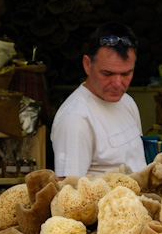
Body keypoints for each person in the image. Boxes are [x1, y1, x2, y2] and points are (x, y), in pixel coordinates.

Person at [51, 23, 148, 178]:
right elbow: (68, 192)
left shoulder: (127, 102)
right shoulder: (75, 118)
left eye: (126, 74)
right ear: (87, 65)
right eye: (107, 73)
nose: (117, 84)